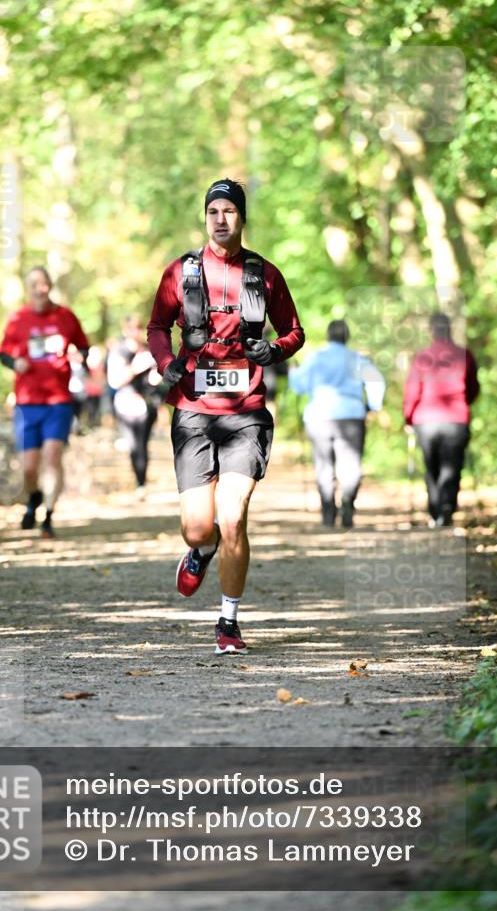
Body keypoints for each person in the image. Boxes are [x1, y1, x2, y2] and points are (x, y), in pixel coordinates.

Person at [148, 177, 304, 654]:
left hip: (246, 413)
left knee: (233, 517)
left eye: (229, 211)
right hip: (194, 410)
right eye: (213, 212)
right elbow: (157, 326)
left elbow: (294, 331)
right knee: (198, 526)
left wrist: (274, 350)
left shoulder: (265, 274)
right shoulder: (181, 272)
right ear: (205, 218)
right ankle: (201, 548)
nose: (221, 220)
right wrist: (166, 363)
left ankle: (228, 622)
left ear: (241, 218)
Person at [0, 267, 89, 538]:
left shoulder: (66, 316)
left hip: (59, 401)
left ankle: (48, 516)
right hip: (27, 402)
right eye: (34, 284)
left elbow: (84, 347)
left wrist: (79, 356)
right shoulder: (18, 319)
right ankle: (33, 498)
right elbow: (3, 354)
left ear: (50, 286)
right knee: (28, 468)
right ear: (28, 289)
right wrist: (15, 363)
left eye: (44, 284)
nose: (40, 289)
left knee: (52, 457)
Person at [288, 320, 385, 528]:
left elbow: (298, 386)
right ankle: (348, 500)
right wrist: (371, 406)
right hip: (351, 415)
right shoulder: (356, 358)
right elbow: (377, 381)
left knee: (324, 465)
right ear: (347, 337)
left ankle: (328, 512)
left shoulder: (316, 357)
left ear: (328, 335)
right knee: (351, 464)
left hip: (319, 416)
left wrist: (293, 371)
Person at [403, 312, 480, 527]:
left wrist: (408, 418)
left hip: (425, 420)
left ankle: (435, 509)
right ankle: (446, 506)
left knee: (432, 467)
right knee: (452, 466)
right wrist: (464, 403)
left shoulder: (422, 356)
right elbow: (473, 387)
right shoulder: (464, 355)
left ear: (431, 331)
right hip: (456, 419)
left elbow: (412, 391)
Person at [107, 316, 162, 497]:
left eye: (139, 328)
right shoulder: (118, 351)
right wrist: (134, 368)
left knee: (142, 445)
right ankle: (139, 480)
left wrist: (158, 374)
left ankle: (141, 483)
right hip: (125, 403)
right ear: (125, 330)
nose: (135, 332)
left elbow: (156, 378)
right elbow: (115, 381)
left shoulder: (149, 350)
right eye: (132, 328)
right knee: (133, 445)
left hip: (146, 404)